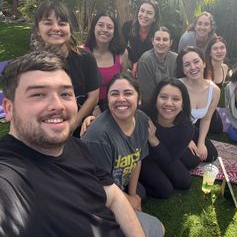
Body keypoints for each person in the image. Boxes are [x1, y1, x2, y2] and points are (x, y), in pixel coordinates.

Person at [0, 51, 164, 237]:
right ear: (9, 109)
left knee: (157, 226)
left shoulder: (75, 146)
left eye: (65, 94)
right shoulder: (10, 175)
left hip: (111, 220)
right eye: (38, 94)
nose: (58, 105)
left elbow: (113, 195)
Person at [81, 74, 151, 212]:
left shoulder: (142, 119)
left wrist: (132, 195)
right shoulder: (99, 137)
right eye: (114, 94)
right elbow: (101, 184)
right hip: (96, 190)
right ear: (108, 99)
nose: (121, 99)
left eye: (128, 93)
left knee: (140, 193)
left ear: (139, 98)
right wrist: (129, 200)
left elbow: (138, 159)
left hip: (119, 182)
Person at [32, 1, 100, 137]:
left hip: (81, 131)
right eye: (48, 23)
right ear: (38, 30)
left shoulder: (86, 58)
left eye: (62, 23)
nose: (56, 28)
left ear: (70, 29)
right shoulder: (31, 66)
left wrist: (73, 123)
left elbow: (93, 97)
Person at [139, 78, 194, 198]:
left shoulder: (186, 128)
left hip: (165, 155)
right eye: (163, 97)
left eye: (176, 99)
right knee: (165, 190)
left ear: (183, 104)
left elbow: (169, 159)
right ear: (156, 99)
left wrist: (153, 139)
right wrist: (92, 118)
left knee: (185, 182)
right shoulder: (143, 114)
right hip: (143, 158)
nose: (169, 103)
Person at [176, 46, 220, 169]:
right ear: (183, 70)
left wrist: (201, 143)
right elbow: (170, 119)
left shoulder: (214, 90)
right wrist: (187, 140)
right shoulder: (177, 86)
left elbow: (206, 119)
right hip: (173, 128)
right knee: (192, 161)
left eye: (196, 62)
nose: (193, 67)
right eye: (187, 64)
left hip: (190, 127)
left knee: (211, 155)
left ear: (204, 63)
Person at [83, 11, 129, 113]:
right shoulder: (81, 52)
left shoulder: (122, 53)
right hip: (84, 106)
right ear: (94, 28)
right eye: (100, 25)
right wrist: (94, 108)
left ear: (114, 32)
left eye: (109, 27)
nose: (104, 30)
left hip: (112, 107)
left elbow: (122, 84)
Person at [137, 26, 177, 105]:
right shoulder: (145, 60)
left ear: (171, 43)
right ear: (153, 41)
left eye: (165, 40)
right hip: (151, 104)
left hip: (173, 103)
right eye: (158, 39)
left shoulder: (176, 59)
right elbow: (148, 94)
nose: (161, 43)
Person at [122, 0, 160, 77]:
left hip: (148, 67)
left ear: (154, 18)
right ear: (138, 12)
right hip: (128, 64)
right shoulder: (127, 26)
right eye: (142, 11)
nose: (144, 15)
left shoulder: (158, 34)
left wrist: (140, 64)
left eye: (149, 13)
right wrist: (135, 61)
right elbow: (121, 46)